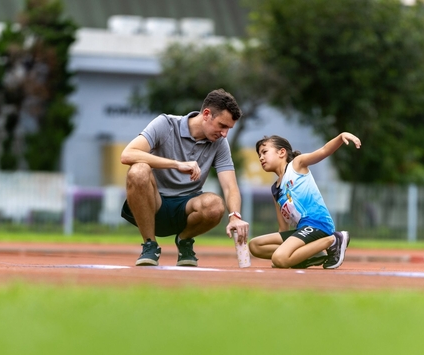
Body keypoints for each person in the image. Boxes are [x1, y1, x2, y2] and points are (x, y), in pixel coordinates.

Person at [120, 89, 249, 266]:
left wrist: (235, 216)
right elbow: (127, 155)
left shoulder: (220, 143)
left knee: (215, 205)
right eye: (222, 125)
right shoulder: (165, 124)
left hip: (187, 208)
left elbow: (230, 187)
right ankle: (150, 245)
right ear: (206, 114)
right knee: (138, 171)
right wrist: (176, 164)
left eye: (229, 128)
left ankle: (184, 240)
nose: (225, 133)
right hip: (155, 203)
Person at [249, 132, 361, 269]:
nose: (261, 158)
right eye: (259, 155)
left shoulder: (296, 165)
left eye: (264, 152)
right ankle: (310, 254)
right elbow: (283, 228)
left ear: (282, 152)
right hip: (303, 230)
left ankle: (334, 240)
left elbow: (324, 150)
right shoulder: (275, 190)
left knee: (279, 259)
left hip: (318, 225)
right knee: (255, 246)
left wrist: (341, 137)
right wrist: (287, 248)